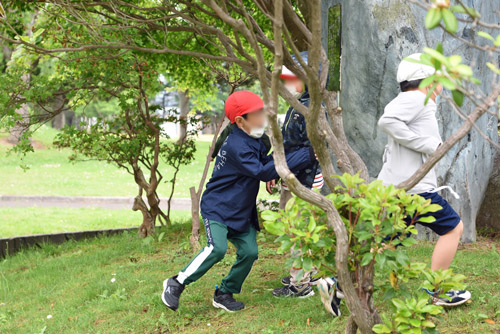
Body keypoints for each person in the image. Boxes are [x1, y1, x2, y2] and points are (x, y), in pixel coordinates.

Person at [161, 90, 317, 312]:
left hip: (241, 210)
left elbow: (263, 163)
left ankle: (224, 292)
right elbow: (261, 170)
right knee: (217, 249)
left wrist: (271, 174)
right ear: (240, 121)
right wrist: (305, 156)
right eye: (257, 115)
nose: (263, 118)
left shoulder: (256, 139)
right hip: (218, 208)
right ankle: (176, 282)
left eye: (263, 111)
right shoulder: (236, 145)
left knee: (250, 252)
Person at [377, 53, 471, 307]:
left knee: (388, 241)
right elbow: (387, 121)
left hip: (399, 186)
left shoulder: (413, 98)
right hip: (414, 188)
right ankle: (437, 291)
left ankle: (339, 285)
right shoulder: (419, 97)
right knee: (453, 228)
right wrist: (430, 145)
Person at [271, 51, 326, 301]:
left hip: (304, 179)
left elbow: (314, 152)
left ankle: (300, 284)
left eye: (291, 78)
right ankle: (309, 272)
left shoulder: (312, 108)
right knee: (296, 226)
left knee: (298, 230)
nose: (286, 83)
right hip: (292, 175)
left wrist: (283, 170)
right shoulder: (298, 104)